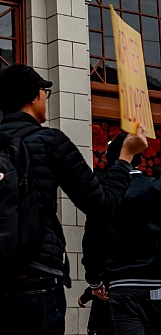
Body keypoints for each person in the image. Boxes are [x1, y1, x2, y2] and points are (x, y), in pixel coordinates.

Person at [0, 63, 148, 335]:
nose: (45, 97)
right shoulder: (49, 141)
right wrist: (125, 158)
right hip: (37, 276)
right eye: (43, 90)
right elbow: (102, 204)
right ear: (34, 97)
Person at [82, 133, 161, 334]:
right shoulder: (155, 189)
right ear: (139, 158)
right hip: (156, 282)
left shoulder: (102, 195)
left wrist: (95, 280)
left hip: (121, 285)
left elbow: (91, 241)